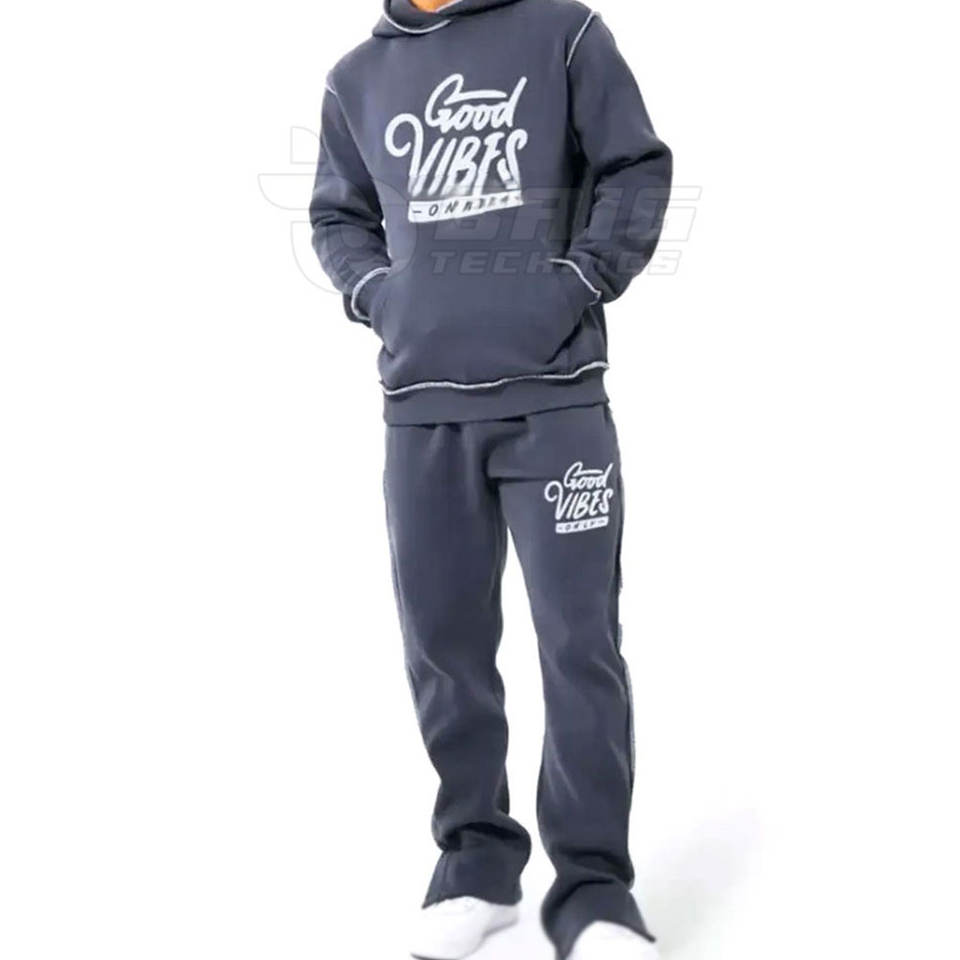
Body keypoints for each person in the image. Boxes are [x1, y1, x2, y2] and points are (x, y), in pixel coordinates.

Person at [309, 1, 671, 957]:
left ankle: (593, 891)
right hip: (420, 411)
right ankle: (475, 866)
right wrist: (378, 295)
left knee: (578, 645)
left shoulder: (564, 33)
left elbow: (635, 167)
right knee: (443, 647)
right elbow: (338, 216)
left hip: (556, 403)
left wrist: (578, 282)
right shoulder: (355, 78)